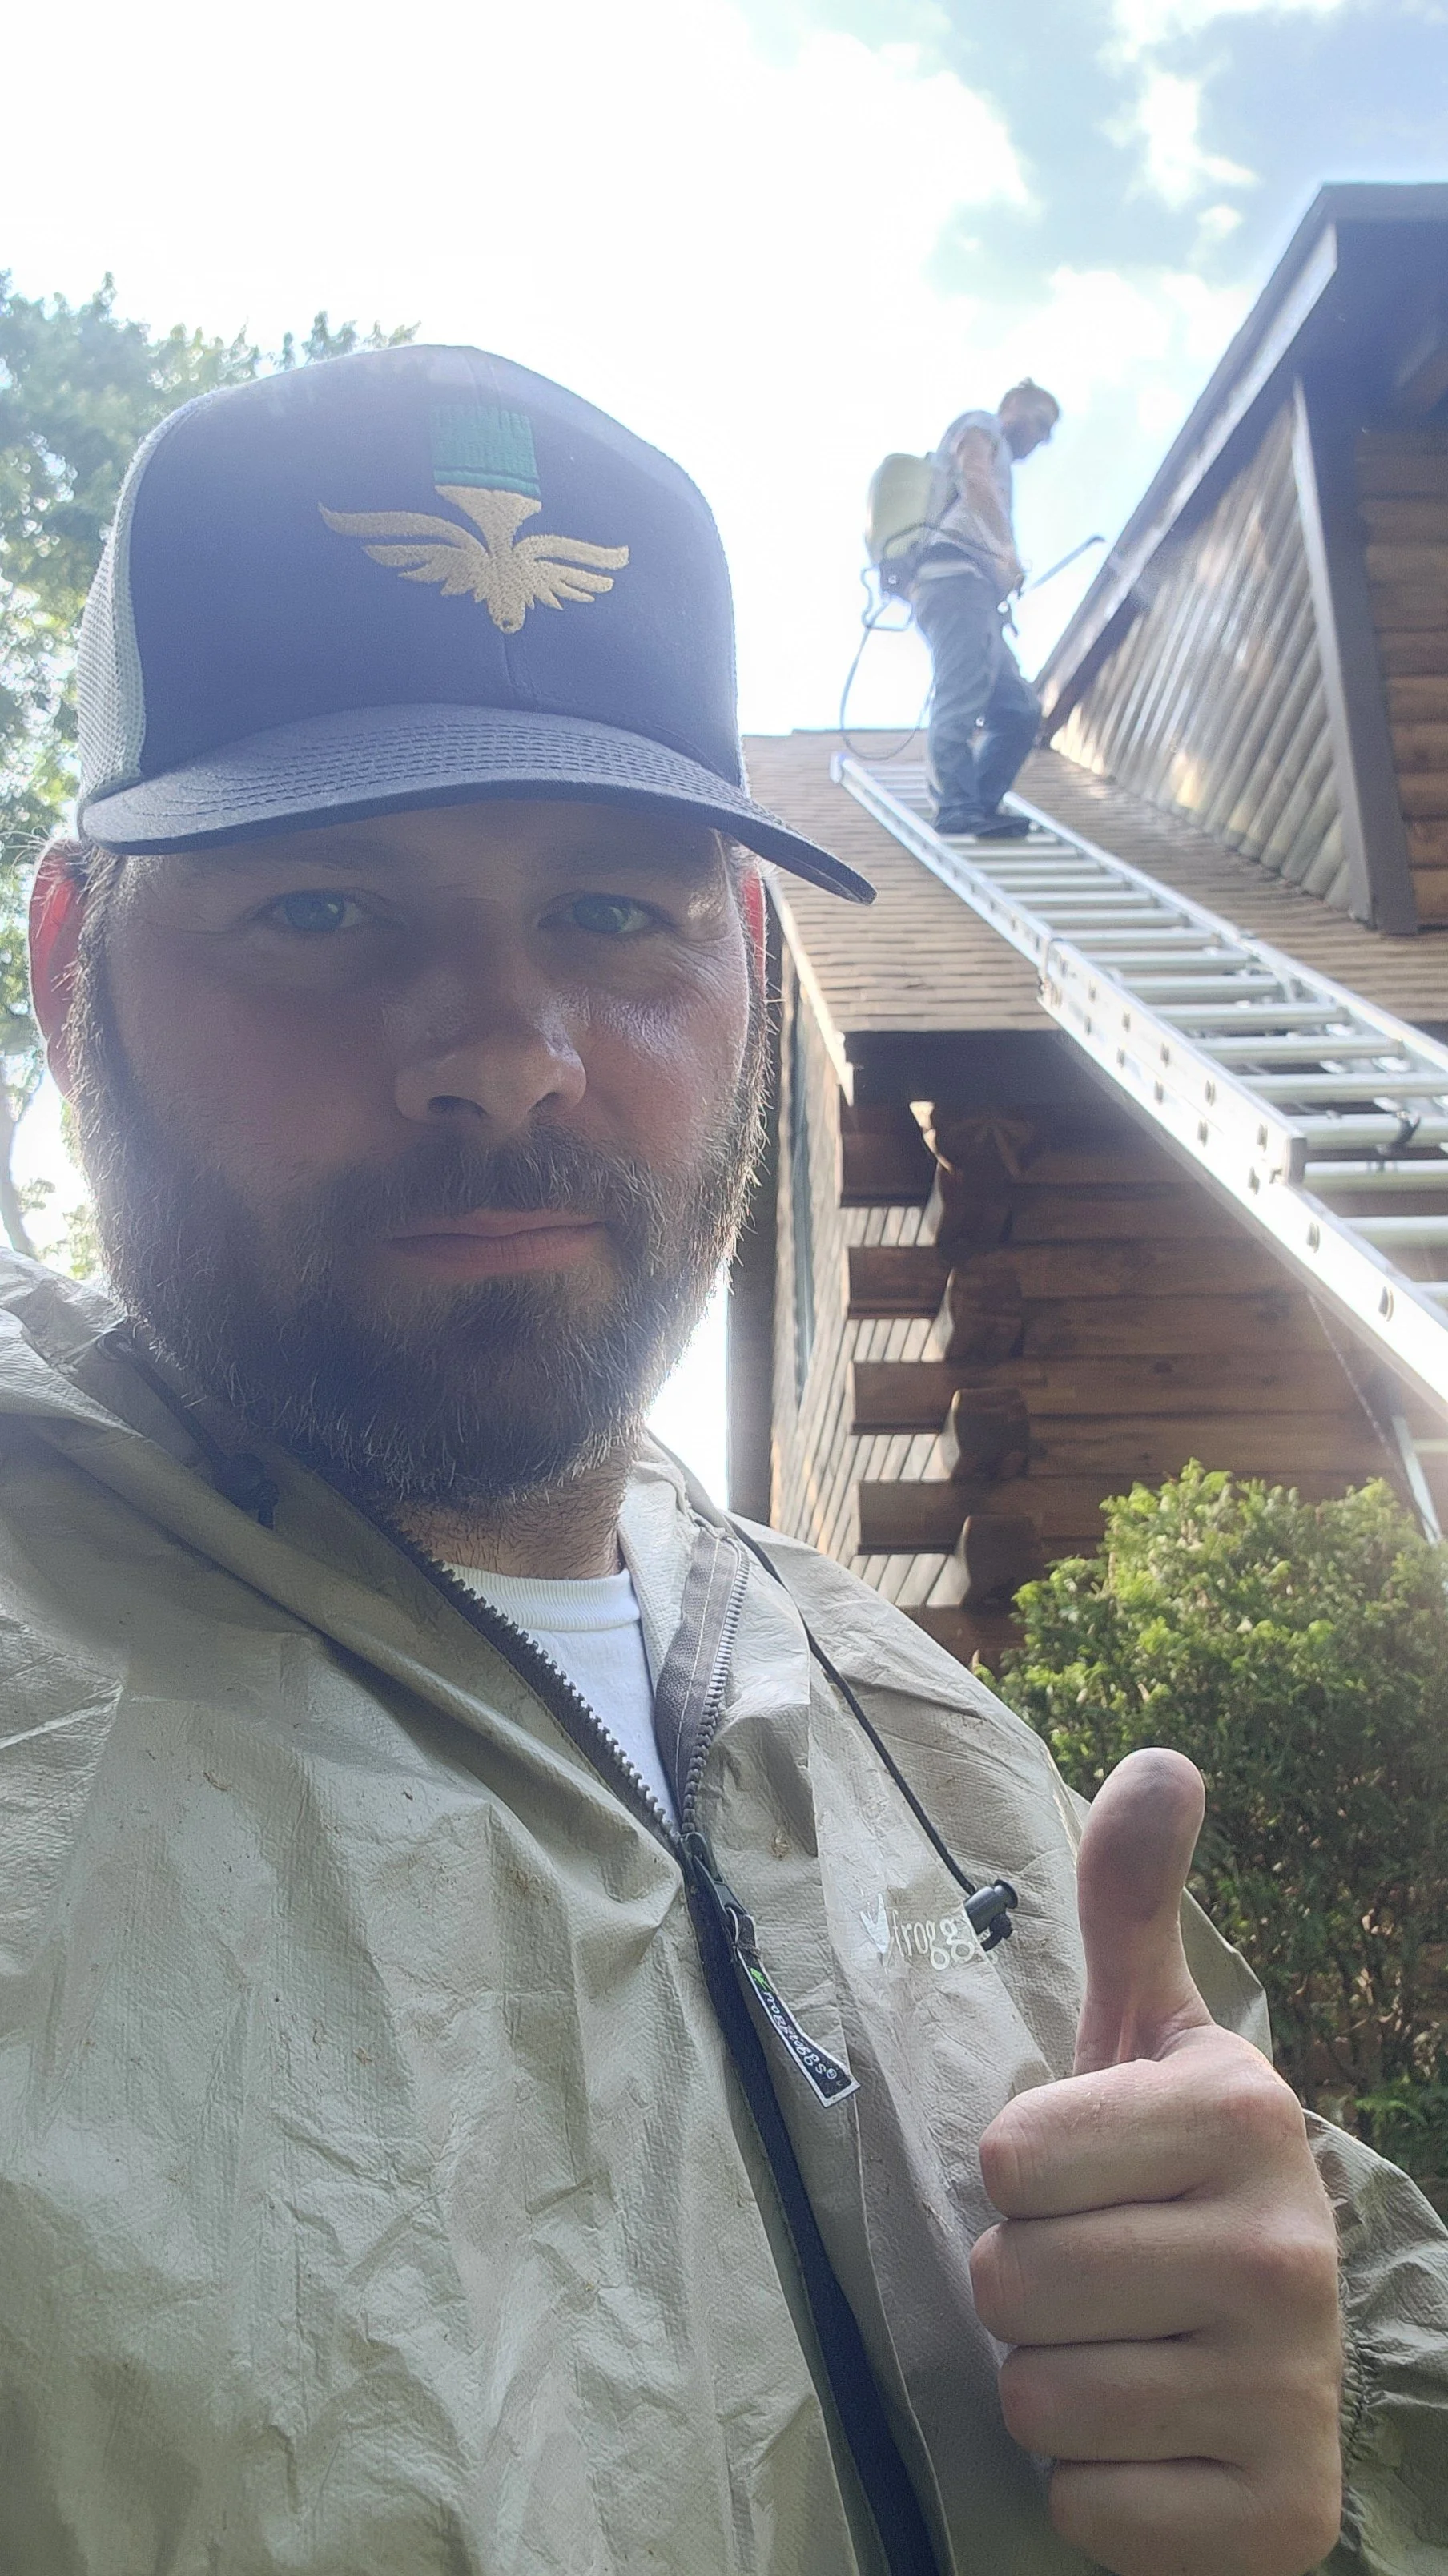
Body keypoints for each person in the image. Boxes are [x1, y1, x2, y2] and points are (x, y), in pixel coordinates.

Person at [1, 344, 1443, 2576]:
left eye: (617, 909)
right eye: (320, 908)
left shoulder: (911, 1721)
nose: (503, 1053)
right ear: (72, 962)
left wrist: (1315, 2467)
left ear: (750, 967)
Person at [912, 379, 1060, 839]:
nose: (1040, 438)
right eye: (1040, 423)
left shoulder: (1002, 458)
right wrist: (1006, 552)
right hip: (954, 582)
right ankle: (955, 806)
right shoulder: (981, 426)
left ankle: (978, 801)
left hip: (976, 592)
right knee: (959, 696)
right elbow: (975, 477)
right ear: (1013, 405)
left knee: (1017, 709)